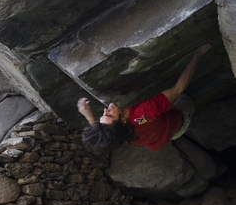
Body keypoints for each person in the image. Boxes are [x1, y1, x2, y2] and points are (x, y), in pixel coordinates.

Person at [77, 43, 211, 152]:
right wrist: (197, 54)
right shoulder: (146, 111)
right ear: (123, 121)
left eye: (103, 117)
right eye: (110, 115)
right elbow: (178, 88)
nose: (106, 110)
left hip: (166, 135)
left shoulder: (119, 134)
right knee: (184, 96)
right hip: (181, 117)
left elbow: (104, 135)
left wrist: (89, 115)